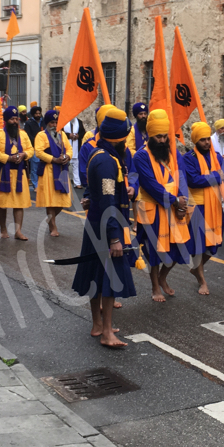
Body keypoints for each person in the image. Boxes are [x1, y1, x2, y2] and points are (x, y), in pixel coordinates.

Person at [72, 107, 141, 348]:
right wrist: (114, 237)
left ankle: (98, 325)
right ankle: (107, 332)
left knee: (96, 275)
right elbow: (110, 200)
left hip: (97, 224)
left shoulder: (101, 155)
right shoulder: (106, 161)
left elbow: (100, 193)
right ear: (120, 138)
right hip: (106, 227)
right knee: (108, 279)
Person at [133, 109, 189, 302]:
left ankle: (163, 277)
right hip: (152, 211)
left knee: (179, 247)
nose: (163, 140)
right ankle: (155, 287)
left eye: (165, 136)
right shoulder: (141, 156)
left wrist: (181, 201)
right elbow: (152, 185)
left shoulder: (170, 154)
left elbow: (177, 179)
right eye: (159, 137)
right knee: (155, 252)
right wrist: (175, 200)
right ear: (149, 135)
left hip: (172, 209)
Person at [184, 121, 224, 295]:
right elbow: (194, 181)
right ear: (196, 141)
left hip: (215, 207)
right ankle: (202, 280)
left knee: (213, 246)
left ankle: (197, 269)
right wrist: (214, 176)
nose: (206, 142)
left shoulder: (217, 157)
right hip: (197, 207)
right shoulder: (188, 159)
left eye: (208, 139)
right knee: (198, 247)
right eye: (203, 139)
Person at [0, 106, 34, 240]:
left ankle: (18, 231)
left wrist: (24, 154)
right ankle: (3, 230)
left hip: (19, 173)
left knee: (19, 203)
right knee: (3, 203)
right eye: (12, 119)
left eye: (16, 119)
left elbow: (31, 149)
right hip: (3, 173)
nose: (15, 121)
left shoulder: (23, 134)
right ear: (6, 120)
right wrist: (8, 158)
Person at [35, 109, 73, 237]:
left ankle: (50, 219)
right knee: (51, 200)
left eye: (57, 122)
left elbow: (69, 148)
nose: (55, 125)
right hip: (48, 170)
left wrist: (67, 156)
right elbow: (39, 152)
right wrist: (54, 159)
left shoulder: (62, 134)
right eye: (52, 122)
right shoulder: (41, 135)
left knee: (62, 201)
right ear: (47, 123)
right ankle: (53, 226)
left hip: (62, 170)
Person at [62, 116, 85, 188]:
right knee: (65, 165)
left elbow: (83, 132)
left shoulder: (79, 122)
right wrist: (69, 135)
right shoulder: (63, 121)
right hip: (66, 147)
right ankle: (64, 182)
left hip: (76, 147)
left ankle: (77, 183)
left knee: (76, 166)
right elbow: (60, 132)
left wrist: (78, 136)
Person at [24, 106, 43, 190]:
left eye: (39, 113)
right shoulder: (29, 123)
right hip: (34, 147)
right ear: (33, 114)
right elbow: (28, 135)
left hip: (44, 148)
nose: (38, 115)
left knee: (43, 167)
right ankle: (36, 185)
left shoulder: (44, 122)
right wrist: (37, 141)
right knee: (35, 167)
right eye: (36, 113)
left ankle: (42, 185)